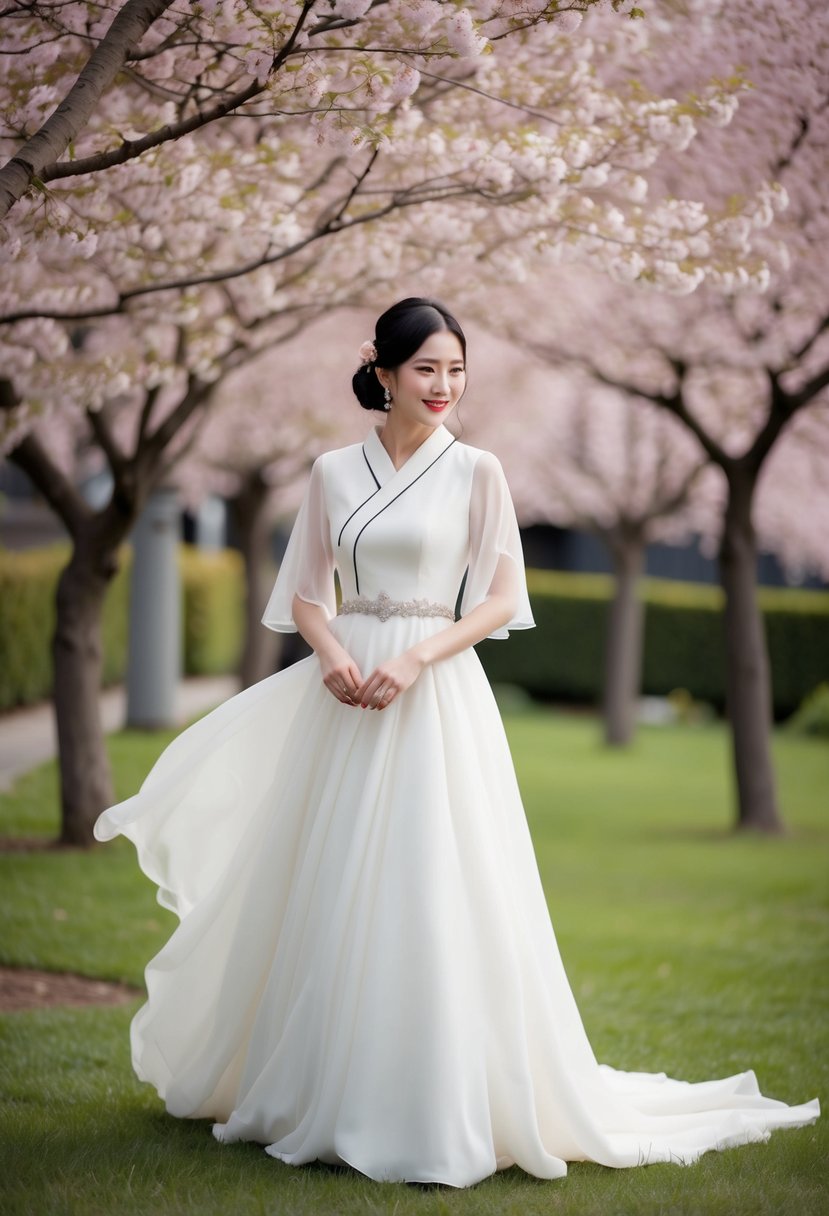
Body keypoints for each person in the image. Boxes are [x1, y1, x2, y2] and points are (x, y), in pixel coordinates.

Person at [94, 297, 819, 1188]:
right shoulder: (330, 472)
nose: (443, 386)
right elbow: (308, 593)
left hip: (433, 692)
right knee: (325, 880)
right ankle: (319, 1080)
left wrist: (414, 660)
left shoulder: (478, 471)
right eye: (427, 369)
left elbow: (500, 599)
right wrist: (326, 655)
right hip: (343, 694)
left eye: (455, 370)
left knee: (430, 878)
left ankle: (433, 1096)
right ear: (384, 371)